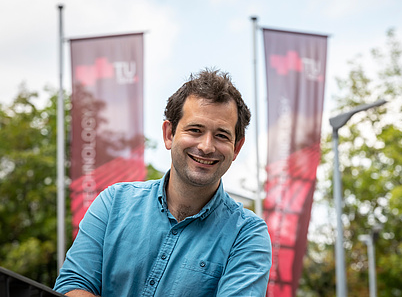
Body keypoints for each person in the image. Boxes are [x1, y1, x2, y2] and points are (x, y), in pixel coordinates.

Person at [54, 69, 272, 296]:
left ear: (236, 147)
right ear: (169, 134)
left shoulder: (247, 235)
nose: (207, 146)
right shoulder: (113, 203)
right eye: (195, 130)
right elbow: (72, 286)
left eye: (221, 135)